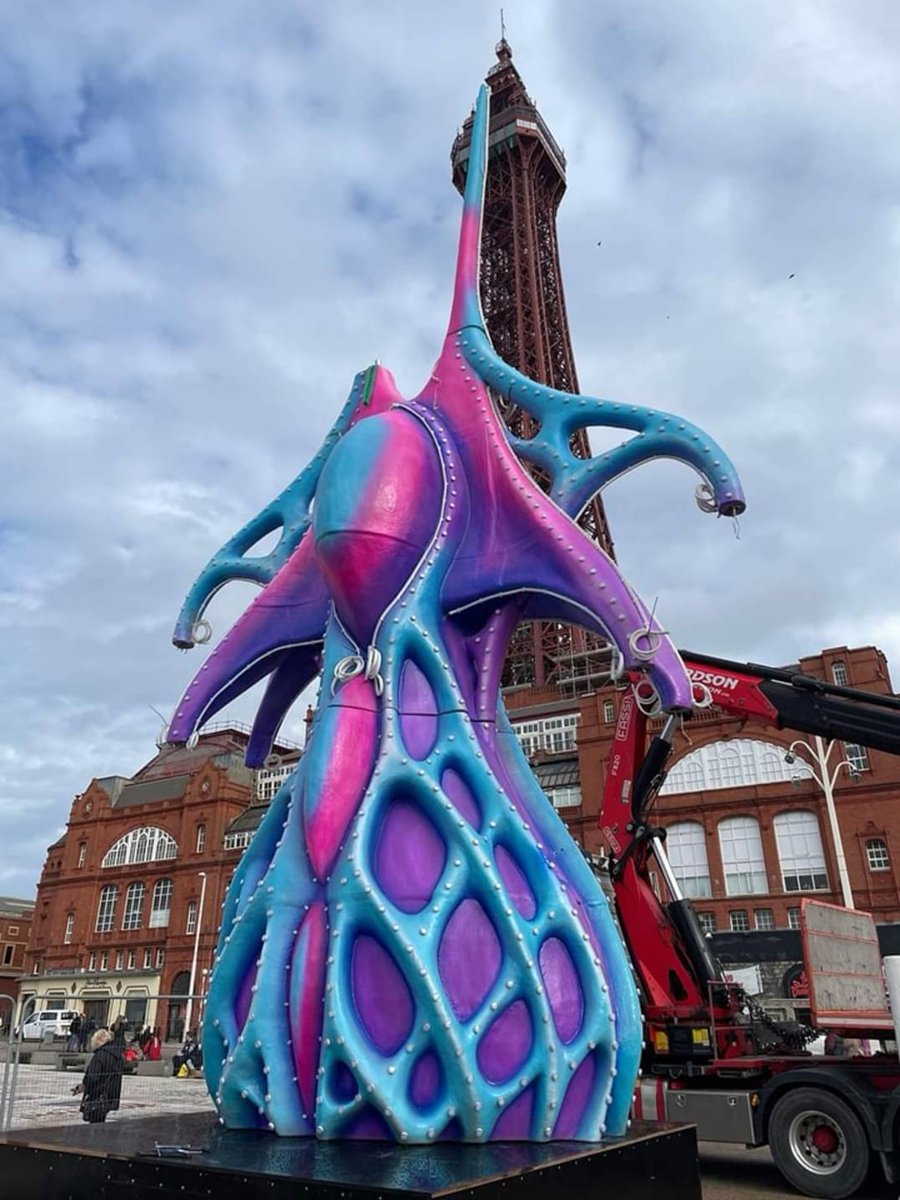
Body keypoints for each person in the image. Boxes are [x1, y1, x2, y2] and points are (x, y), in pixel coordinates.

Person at [78, 1029, 125, 1123]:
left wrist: (85, 1085)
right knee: (100, 1121)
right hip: (111, 1095)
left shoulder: (100, 1055)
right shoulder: (117, 1055)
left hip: (98, 1094)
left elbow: (92, 1076)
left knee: (95, 1122)